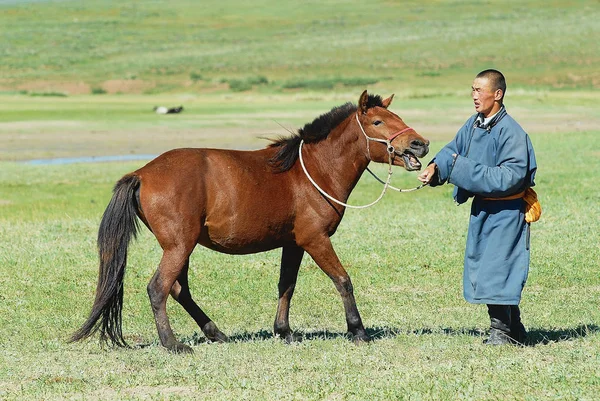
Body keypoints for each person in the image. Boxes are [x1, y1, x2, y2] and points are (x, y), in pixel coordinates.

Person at [418, 69, 538, 345]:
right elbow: (452, 150)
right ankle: (515, 330)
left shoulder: (513, 133)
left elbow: (509, 177)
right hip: (484, 210)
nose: (474, 96)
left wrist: (459, 167)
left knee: (499, 268)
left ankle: (502, 333)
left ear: (497, 95)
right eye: (472, 90)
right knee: (488, 267)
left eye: (479, 90)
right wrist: (435, 168)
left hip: (507, 212)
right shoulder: (474, 124)